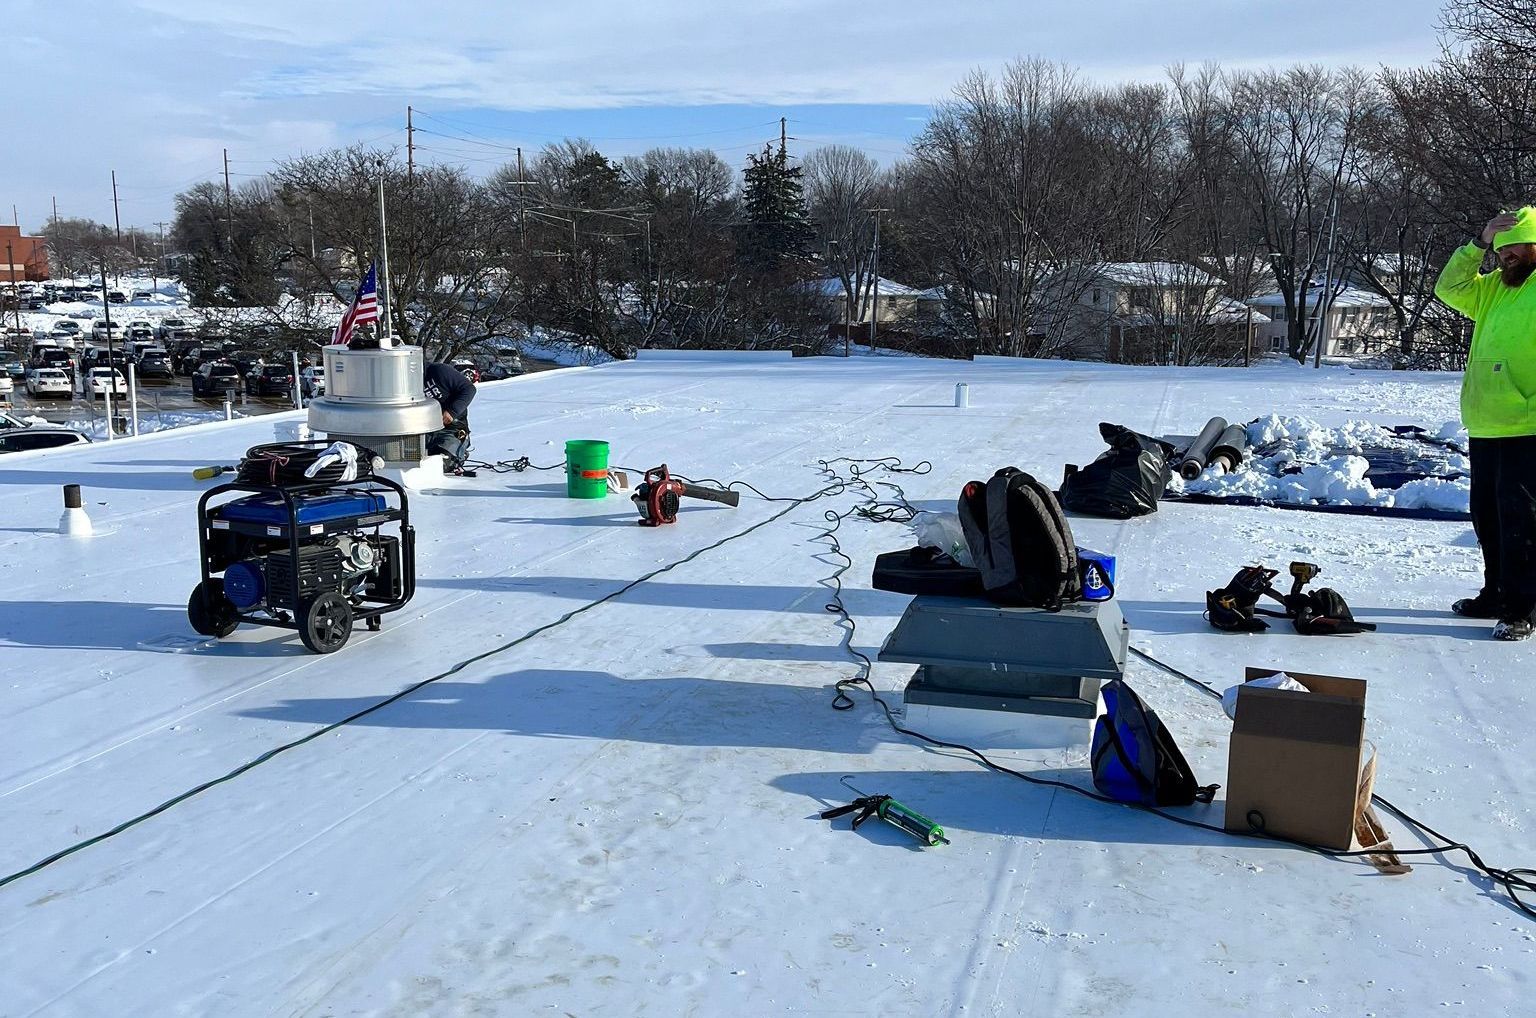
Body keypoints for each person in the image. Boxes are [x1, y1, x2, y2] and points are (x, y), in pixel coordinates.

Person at [1433, 206, 1536, 641]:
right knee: (1488, 518)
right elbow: (1449, 287)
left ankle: (1521, 609)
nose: (1506, 256)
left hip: (1526, 425)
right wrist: (1477, 242)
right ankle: (1494, 594)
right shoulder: (1493, 288)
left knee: (1521, 522)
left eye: (1515, 247)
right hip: (1486, 423)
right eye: (1500, 250)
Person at [423, 360, 476, 469]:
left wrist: (452, 411)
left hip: (450, 427)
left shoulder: (439, 371)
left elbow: (469, 389)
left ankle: (457, 453)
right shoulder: (399, 384)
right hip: (422, 430)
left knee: (438, 465)